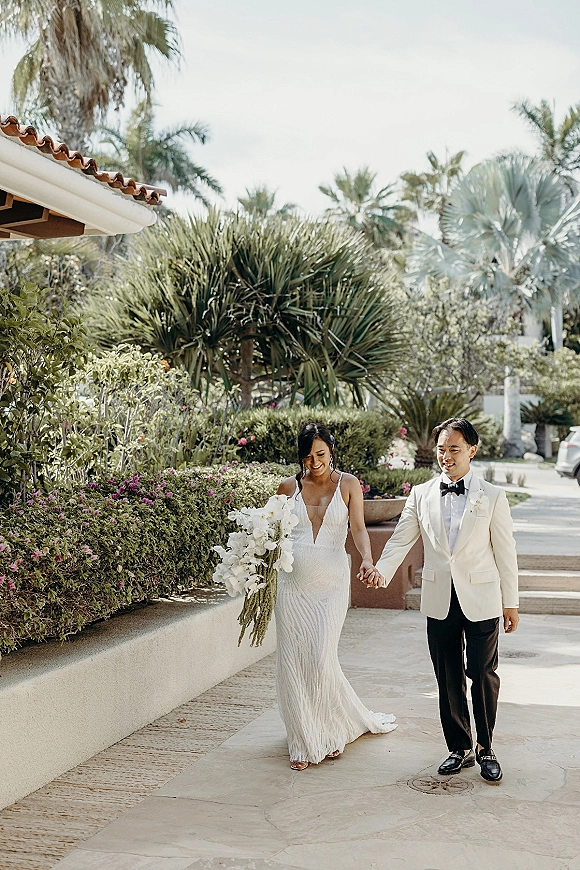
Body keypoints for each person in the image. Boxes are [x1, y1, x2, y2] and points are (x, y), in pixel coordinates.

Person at [370, 417, 519, 784]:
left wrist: (510, 602)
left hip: (482, 597)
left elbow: (506, 552)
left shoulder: (493, 496)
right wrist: (381, 571)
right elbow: (401, 540)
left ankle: (486, 748)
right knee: (447, 675)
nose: (446, 456)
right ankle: (460, 747)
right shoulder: (420, 494)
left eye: (454, 449)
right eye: (441, 449)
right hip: (440, 598)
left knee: (482, 674)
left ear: (472, 450)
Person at [275, 422, 397, 770]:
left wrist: (368, 560)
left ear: (331, 450)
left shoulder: (348, 484)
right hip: (292, 586)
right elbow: (271, 531)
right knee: (293, 661)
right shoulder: (287, 487)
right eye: (308, 456)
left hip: (331, 584)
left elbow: (358, 527)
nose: (314, 462)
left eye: (321, 454)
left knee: (321, 657)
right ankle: (302, 739)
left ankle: (330, 730)